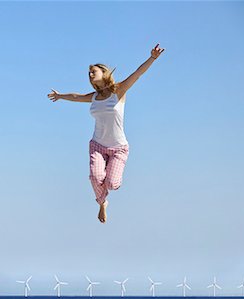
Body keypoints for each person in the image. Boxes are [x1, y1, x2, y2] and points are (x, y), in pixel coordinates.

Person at [47, 43, 165, 223]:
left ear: (104, 72)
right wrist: (60, 95)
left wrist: (152, 58)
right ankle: (102, 203)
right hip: (97, 145)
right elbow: (77, 97)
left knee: (112, 183)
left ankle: (106, 190)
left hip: (118, 148)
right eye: (89, 73)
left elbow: (137, 73)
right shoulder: (94, 97)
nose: (90, 74)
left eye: (93, 71)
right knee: (95, 177)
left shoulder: (118, 91)